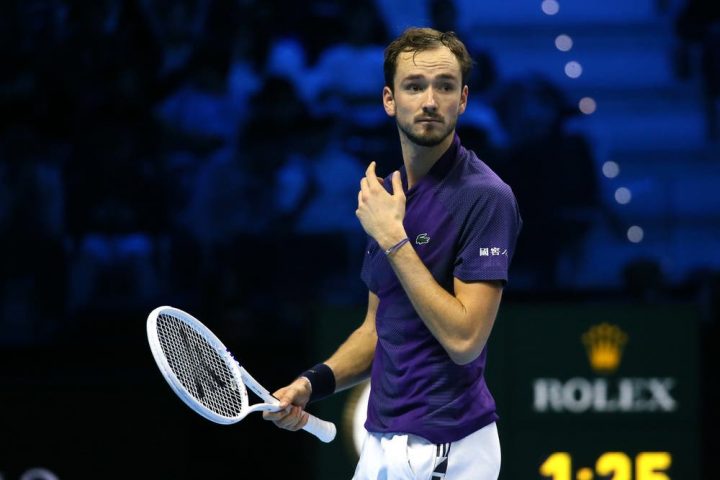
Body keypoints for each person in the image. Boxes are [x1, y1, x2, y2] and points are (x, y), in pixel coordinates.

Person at [263, 27, 522, 479]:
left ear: (463, 100)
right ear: (389, 99)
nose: (429, 100)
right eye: (414, 86)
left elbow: (465, 340)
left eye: (444, 86)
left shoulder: (486, 197)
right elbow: (378, 329)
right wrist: (312, 383)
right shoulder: (387, 196)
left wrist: (394, 239)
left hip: (447, 443)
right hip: (381, 440)